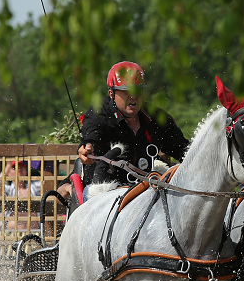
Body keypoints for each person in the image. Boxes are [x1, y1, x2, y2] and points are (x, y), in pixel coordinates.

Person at [58, 61, 190, 198]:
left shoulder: (156, 118)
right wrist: (88, 150)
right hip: (103, 196)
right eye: (126, 91)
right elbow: (91, 141)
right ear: (111, 94)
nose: (133, 96)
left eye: (137, 90)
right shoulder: (98, 114)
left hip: (148, 194)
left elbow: (185, 151)